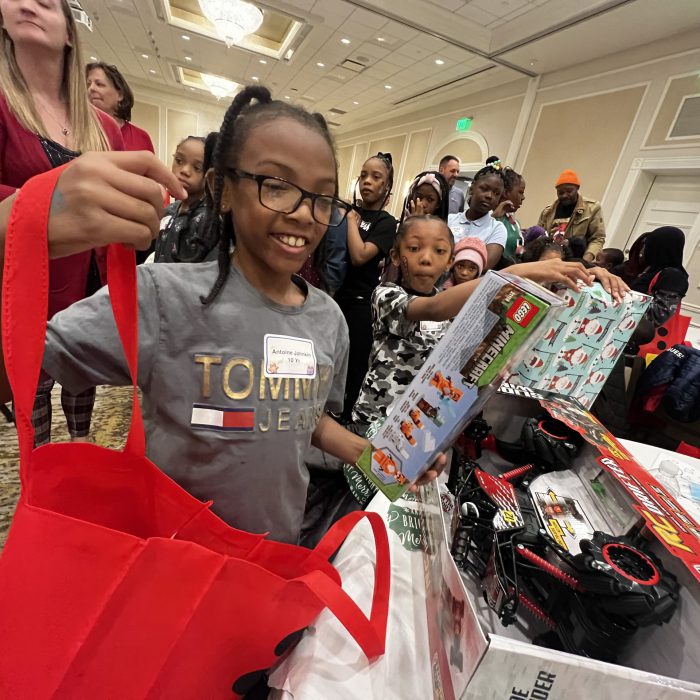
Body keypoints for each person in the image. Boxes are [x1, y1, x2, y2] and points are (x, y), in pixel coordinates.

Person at [0, 86, 447, 545]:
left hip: (273, 554)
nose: (303, 214)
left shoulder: (328, 319)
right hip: (175, 556)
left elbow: (301, 417)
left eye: (322, 197)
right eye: (277, 186)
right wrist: (13, 231)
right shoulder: (162, 297)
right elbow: (18, 368)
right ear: (223, 190)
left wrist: (376, 456)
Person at [351, 215, 625, 433]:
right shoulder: (386, 295)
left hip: (418, 425)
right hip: (376, 419)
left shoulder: (453, 306)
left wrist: (587, 279)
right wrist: (513, 273)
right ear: (395, 256)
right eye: (414, 248)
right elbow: (431, 309)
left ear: (449, 262)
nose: (425, 257)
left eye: (439, 251)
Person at [0, 0, 123, 446]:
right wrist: (47, 202)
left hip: (90, 281)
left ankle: (79, 450)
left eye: (46, 2)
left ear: (70, 32)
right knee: (31, 383)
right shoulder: (4, 105)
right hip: (24, 282)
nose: (27, 4)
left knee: (80, 374)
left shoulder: (104, 127)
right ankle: (37, 467)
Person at [335, 152, 397, 422]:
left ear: (387, 186)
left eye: (375, 177)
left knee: (354, 366)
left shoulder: (385, 222)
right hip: (335, 297)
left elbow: (360, 255)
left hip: (360, 304)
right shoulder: (347, 211)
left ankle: (346, 420)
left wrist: (350, 222)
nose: (367, 181)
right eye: (363, 175)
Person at [154, 135, 218, 263]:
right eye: (179, 161)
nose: (184, 170)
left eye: (197, 168)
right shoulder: (169, 210)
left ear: (210, 175)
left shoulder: (209, 221)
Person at [447, 158, 507, 270]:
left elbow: (483, 266)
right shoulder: (450, 220)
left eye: (496, 193)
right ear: (472, 189)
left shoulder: (497, 229)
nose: (489, 196)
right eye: (484, 189)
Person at [537, 169, 605, 261]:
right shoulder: (548, 212)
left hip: (575, 259)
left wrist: (585, 261)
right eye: (560, 192)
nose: (565, 195)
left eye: (569, 191)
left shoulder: (592, 208)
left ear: (577, 189)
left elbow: (597, 238)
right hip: (549, 259)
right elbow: (539, 237)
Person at [86, 61, 155, 153]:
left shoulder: (142, 137)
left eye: (99, 84)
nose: (91, 89)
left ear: (120, 95)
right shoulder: (78, 131)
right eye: (88, 84)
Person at [491, 161, 525, 259]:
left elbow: (518, 250)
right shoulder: (486, 216)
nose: (523, 197)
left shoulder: (514, 223)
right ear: (505, 192)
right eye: (520, 192)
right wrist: (494, 216)